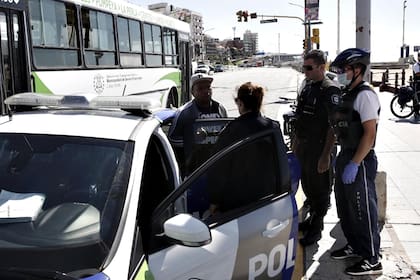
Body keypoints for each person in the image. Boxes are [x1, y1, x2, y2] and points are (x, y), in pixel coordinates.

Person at [329, 48, 382, 276]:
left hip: (359, 159)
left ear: (358, 70)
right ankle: (354, 245)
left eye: (344, 69)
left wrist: (355, 163)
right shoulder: (346, 93)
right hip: (345, 155)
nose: (340, 73)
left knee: (362, 210)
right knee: (346, 207)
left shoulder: (365, 95)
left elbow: (369, 134)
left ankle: (372, 257)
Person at [208, 82, 286, 214]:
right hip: (269, 198)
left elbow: (219, 168)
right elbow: (282, 161)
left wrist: (214, 201)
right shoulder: (272, 128)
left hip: (238, 204)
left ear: (241, 104)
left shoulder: (231, 130)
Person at [293, 49, 341, 246]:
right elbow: (300, 119)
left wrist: (325, 156)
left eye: (309, 67)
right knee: (308, 188)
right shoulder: (308, 87)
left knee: (321, 190)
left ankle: (317, 227)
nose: (305, 71)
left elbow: (333, 126)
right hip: (304, 148)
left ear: (322, 67)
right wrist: (295, 145)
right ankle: (311, 220)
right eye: (304, 67)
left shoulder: (330, 90)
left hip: (320, 149)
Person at [168, 73, 227, 177]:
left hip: (218, 168)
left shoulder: (220, 108)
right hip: (195, 173)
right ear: (192, 92)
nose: (206, 91)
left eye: (208, 87)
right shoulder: (184, 113)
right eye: (200, 88)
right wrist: (192, 141)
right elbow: (173, 140)